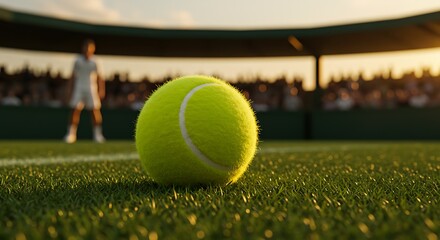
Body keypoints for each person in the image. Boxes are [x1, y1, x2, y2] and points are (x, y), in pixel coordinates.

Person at [64, 39, 106, 143]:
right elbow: (72, 77)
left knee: (95, 111)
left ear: (93, 49)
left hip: (91, 89)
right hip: (78, 88)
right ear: (83, 48)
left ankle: (98, 135)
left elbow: (100, 77)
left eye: (89, 47)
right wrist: (69, 90)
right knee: (75, 110)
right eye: (85, 47)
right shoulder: (77, 61)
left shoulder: (96, 61)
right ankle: (71, 134)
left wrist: (101, 90)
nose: (87, 49)